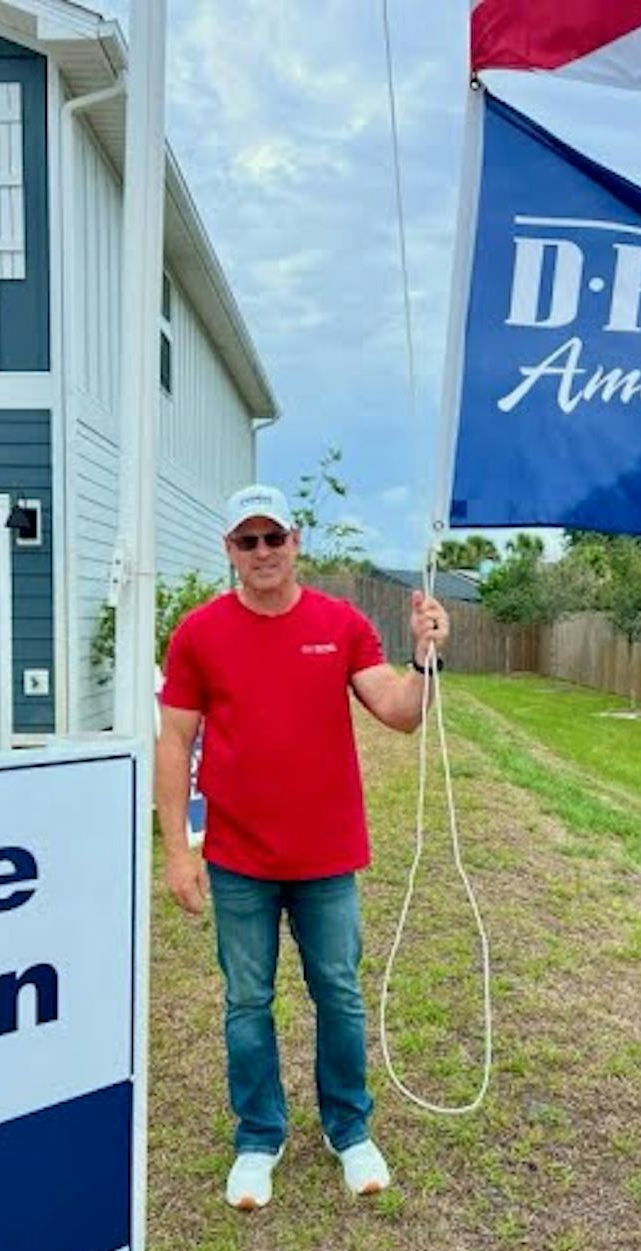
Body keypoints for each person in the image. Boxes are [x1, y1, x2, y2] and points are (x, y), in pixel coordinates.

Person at [156, 483, 450, 1210]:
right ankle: (260, 1136)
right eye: (247, 540)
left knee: (340, 995)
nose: (262, 552)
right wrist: (176, 850)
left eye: (273, 537)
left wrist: (424, 661)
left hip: (326, 857)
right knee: (247, 1001)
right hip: (237, 857)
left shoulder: (339, 622)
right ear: (229, 550)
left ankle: (349, 1129)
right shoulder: (198, 633)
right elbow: (173, 739)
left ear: (296, 542)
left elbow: (400, 712)